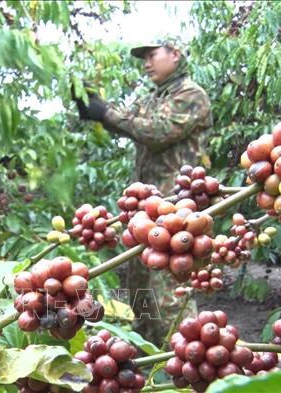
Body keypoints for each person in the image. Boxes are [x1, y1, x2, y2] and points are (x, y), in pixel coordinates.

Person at [73, 36, 213, 346]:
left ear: (174, 54)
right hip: (147, 207)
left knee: (169, 289)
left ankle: (187, 357)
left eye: (152, 55)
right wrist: (95, 106)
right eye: (144, 57)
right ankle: (145, 359)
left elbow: (156, 132)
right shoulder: (153, 97)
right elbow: (129, 121)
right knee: (138, 286)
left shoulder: (191, 95)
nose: (146, 63)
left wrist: (106, 113)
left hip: (176, 207)